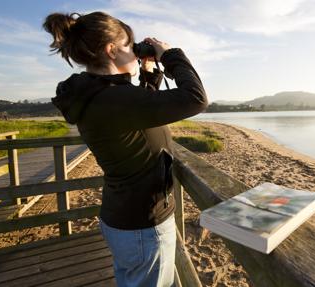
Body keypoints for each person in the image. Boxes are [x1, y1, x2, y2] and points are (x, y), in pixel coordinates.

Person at [43, 11, 208, 287]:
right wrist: (171, 55)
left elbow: (138, 121)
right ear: (110, 50)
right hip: (143, 225)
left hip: (123, 218)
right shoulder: (114, 100)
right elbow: (195, 99)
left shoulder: (95, 96)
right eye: (130, 47)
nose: (135, 52)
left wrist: (147, 78)